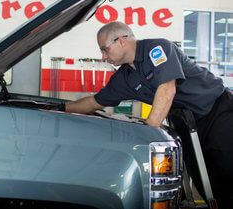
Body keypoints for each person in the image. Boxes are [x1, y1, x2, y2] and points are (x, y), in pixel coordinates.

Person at [65, 22, 233, 208]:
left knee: (226, 168)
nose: (103, 56)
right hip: (188, 123)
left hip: (218, 110)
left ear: (121, 40)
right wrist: (63, 108)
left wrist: (149, 132)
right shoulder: (125, 78)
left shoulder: (158, 48)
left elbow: (167, 89)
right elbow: (94, 102)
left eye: (105, 49)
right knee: (204, 178)